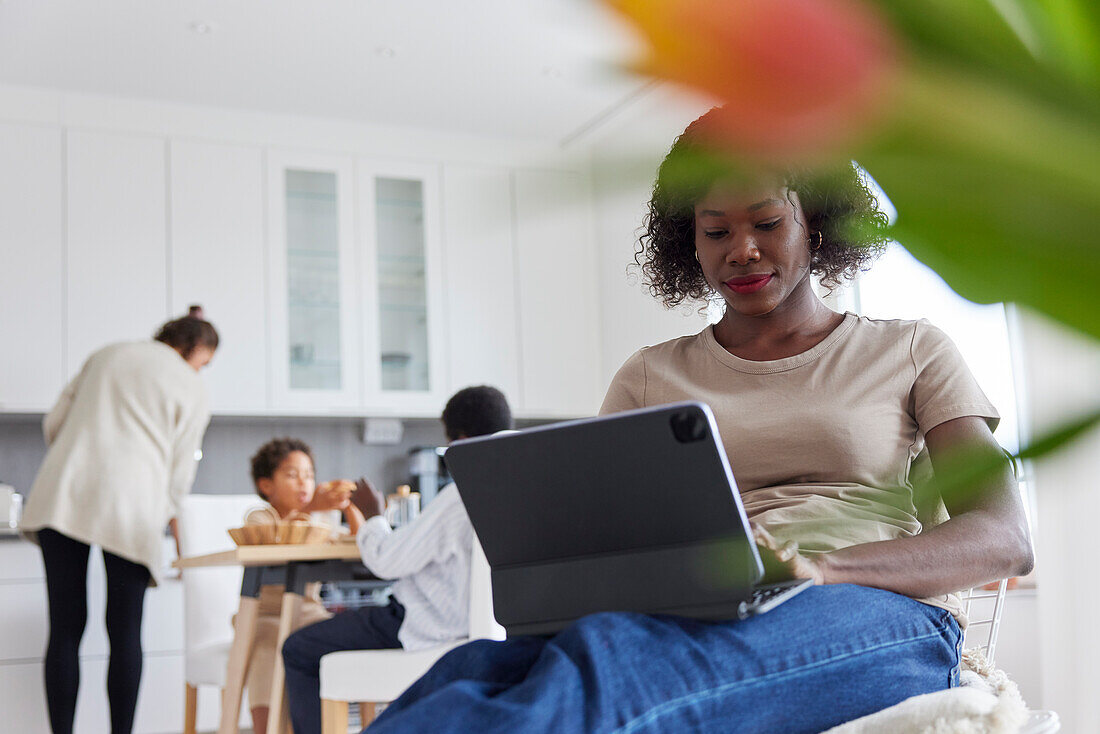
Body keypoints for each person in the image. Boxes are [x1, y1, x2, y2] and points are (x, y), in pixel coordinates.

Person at [360, 108, 1035, 734]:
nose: (741, 248)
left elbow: (1003, 538)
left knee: (621, 676)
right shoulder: (651, 375)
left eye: (767, 223)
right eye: (716, 231)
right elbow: (598, 540)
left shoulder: (910, 349)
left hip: (875, 615)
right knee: (472, 672)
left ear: (816, 225)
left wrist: (824, 567)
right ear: (691, 243)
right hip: (692, 612)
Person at [21, 306, 219, 734]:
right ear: (195, 350)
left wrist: (78, 458)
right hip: (132, 505)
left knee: (65, 629)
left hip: (64, 494)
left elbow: (54, 422)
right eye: (205, 363)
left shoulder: (107, 354)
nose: (202, 371)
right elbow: (180, 474)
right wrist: (164, 514)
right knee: (125, 631)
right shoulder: (191, 386)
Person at [281, 385, 514, 734]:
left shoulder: (462, 491)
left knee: (298, 648)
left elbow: (386, 562)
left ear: (459, 440)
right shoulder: (520, 480)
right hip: (494, 634)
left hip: (430, 629)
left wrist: (373, 513)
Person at [242, 437, 360, 734]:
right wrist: (311, 510)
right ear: (266, 485)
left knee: (335, 637)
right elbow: (276, 539)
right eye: (292, 475)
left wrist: (349, 508)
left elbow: (356, 541)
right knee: (266, 645)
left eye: (309, 475)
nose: (303, 483)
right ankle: (265, 728)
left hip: (309, 612)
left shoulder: (321, 521)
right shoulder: (259, 517)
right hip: (266, 614)